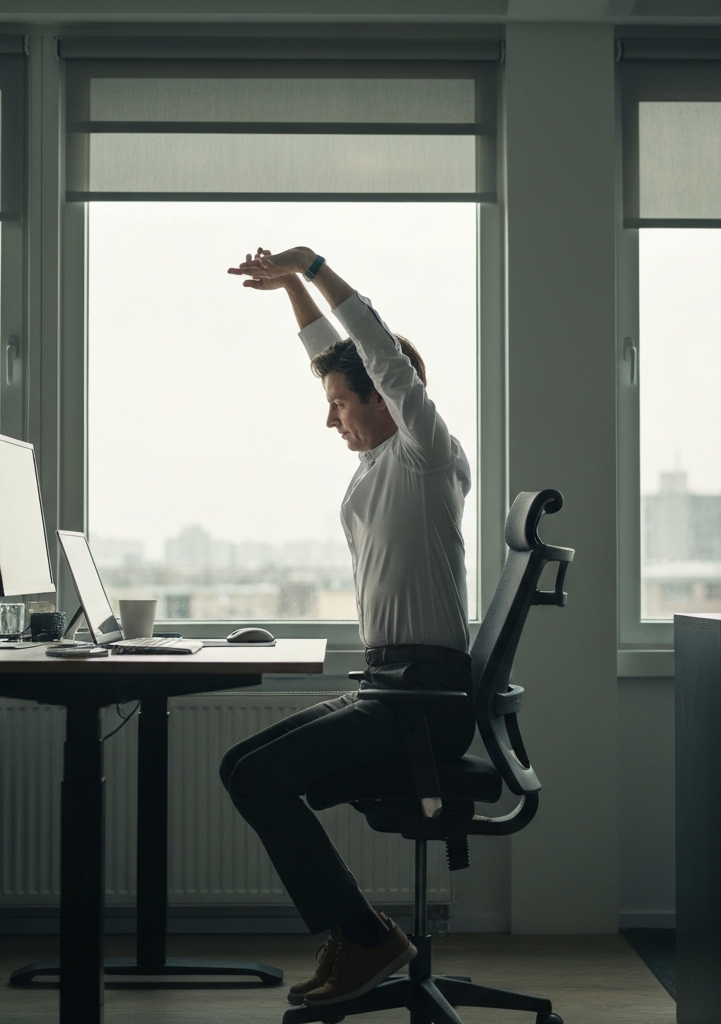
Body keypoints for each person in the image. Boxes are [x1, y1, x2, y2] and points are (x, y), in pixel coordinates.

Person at [220, 246, 475, 1008]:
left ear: (388, 398)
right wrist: (291, 292)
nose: (328, 415)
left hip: (423, 702)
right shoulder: (374, 463)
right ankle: (360, 930)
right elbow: (327, 356)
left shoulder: (425, 455)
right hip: (391, 686)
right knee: (241, 767)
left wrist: (318, 266)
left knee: (260, 778)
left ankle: (364, 936)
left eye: (340, 402)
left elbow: (376, 352)